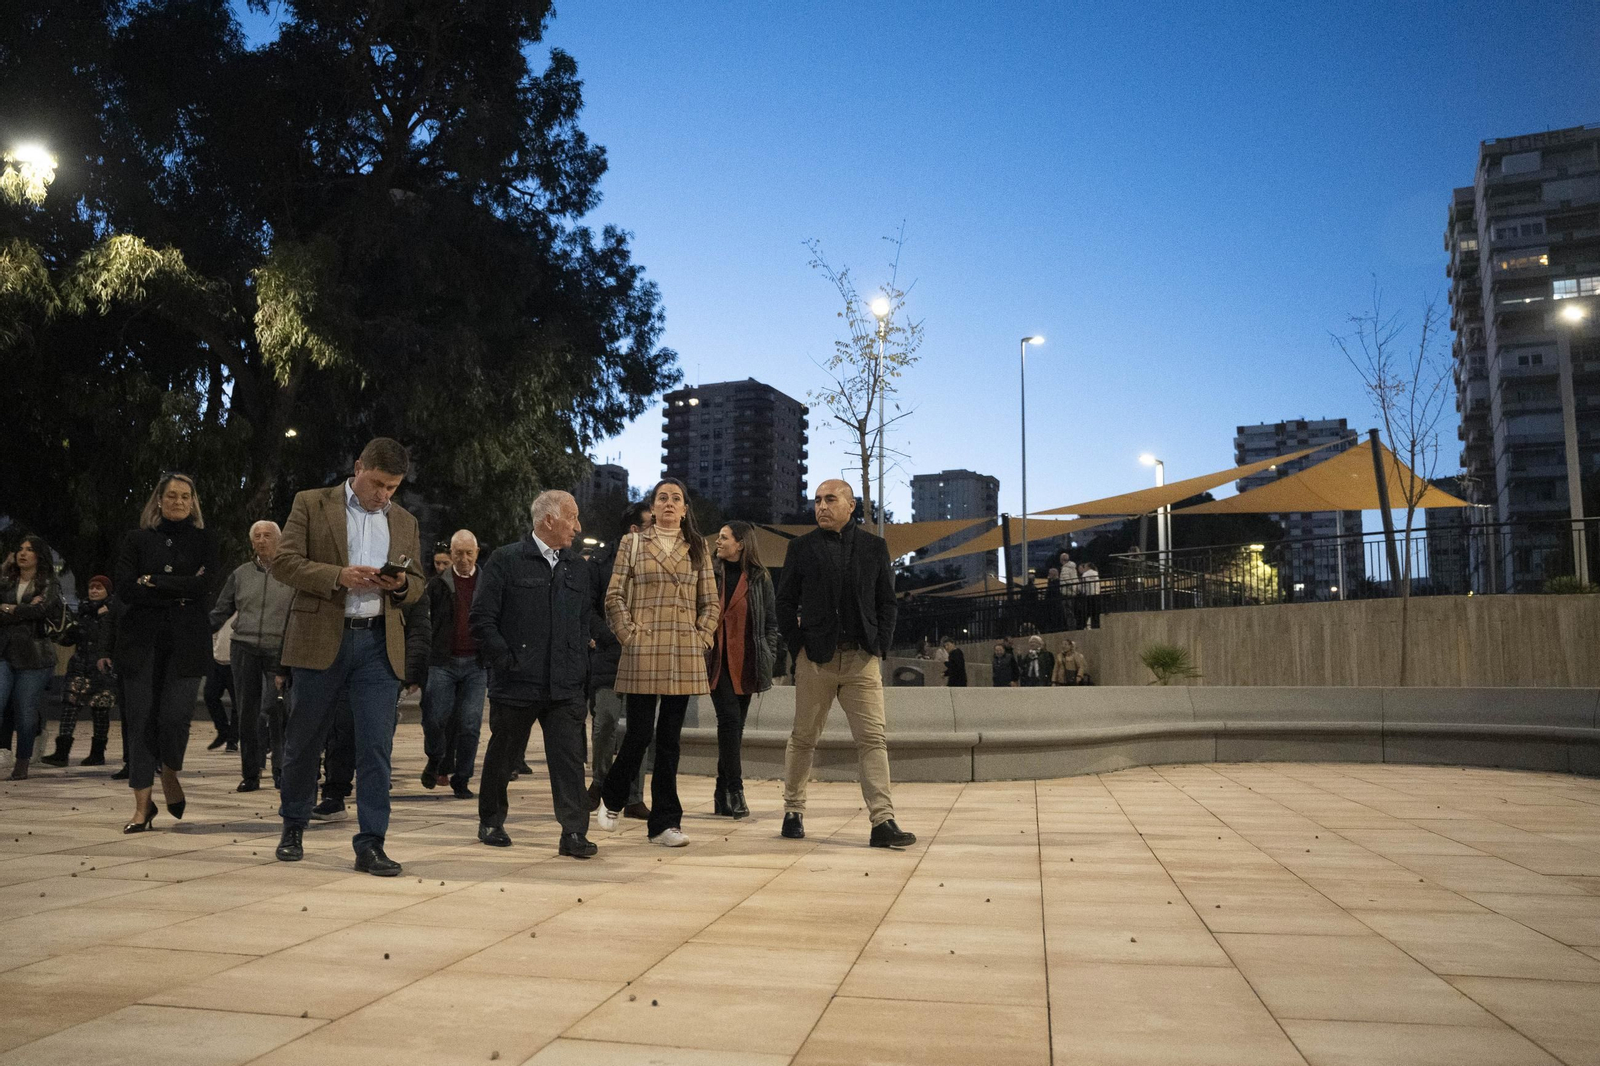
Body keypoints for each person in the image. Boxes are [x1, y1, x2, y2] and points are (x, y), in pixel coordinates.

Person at [271, 438, 423, 876]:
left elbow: (417, 583)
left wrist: (400, 586)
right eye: (377, 483)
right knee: (305, 740)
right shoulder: (311, 503)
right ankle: (294, 825)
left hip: (378, 645)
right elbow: (285, 563)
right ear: (358, 467)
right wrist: (337, 575)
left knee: (376, 747)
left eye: (392, 487)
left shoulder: (405, 521)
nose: (383, 495)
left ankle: (371, 843)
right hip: (321, 638)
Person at [775, 480, 915, 849]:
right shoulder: (800, 548)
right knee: (804, 737)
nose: (821, 506)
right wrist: (798, 647)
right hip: (815, 660)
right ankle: (793, 811)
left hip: (861, 659)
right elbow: (784, 603)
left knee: (872, 739)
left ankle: (882, 821)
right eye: (817, 500)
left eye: (830, 499)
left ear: (851, 505)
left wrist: (879, 645)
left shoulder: (874, 547)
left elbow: (887, 602)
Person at [470, 491, 596, 857]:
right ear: (549, 520)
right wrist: (507, 661)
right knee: (503, 755)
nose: (578, 526)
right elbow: (481, 619)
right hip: (516, 683)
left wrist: (582, 663)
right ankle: (491, 820)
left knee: (570, 760)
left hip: (566, 684)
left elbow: (583, 618)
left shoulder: (578, 567)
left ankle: (574, 832)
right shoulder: (506, 560)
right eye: (572, 517)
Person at [595, 478, 719, 847]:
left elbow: (711, 602)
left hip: (682, 650)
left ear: (684, 509)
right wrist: (629, 635)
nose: (668, 503)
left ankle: (666, 823)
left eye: (676, 498)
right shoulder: (632, 543)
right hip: (643, 650)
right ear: (653, 507)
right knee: (637, 735)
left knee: (669, 740)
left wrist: (701, 637)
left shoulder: (698, 548)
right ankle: (613, 796)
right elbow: (614, 595)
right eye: (662, 497)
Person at [114, 475, 219, 830]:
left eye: (185, 496)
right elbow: (127, 588)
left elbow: (205, 586)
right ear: (158, 500)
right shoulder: (136, 539)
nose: (178, 501)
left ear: (193, 502)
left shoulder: (205, 540)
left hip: (187, 641)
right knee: (140, 718)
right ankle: (143, 808)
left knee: (174, 718)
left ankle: (170, 770)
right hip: (140, 640)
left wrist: (153, 579)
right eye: (171, 495)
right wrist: (178, 587)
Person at [311, 590, 431, 820]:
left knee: (377, 734)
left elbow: (419, 630)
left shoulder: (408, 585)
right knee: (342, 726)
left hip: (387, 664)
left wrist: (412, 672)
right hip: (347, 658)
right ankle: (335, 793)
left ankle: (375, 796)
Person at [211, 520, 294, 792]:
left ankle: (282, 769)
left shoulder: (291, 573)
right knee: (247, 713)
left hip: (278, 650)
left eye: (267, 535)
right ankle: (250, 774)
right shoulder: (241, 574)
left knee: (278, 710)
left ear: (279, 540)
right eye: (256, 536)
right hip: (244, 647)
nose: (261, 540)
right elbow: (221, 610)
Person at [708, 521, 779, 819]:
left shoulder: (760, 578)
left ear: (740, 544)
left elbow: (771, 624)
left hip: (748, 662)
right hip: (716, 661)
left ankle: (719, 792)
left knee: (736, 729)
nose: (718, 541)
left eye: (724, 537)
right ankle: (736, 790)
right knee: (730, 721)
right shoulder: (709, 572)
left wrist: (769, 656)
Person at [586, 500, 651, 821]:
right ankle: (599, 781)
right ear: (634, 530)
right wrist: (610, 634)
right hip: (610, 654)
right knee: (606, 722)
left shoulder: (659, 559)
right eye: (650, 524)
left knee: (638, 728)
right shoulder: (601, 561)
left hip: (645, 656)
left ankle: (634, 796)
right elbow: (589, 607)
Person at [422, 529, 487, 799]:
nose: (463, 559)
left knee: (470, 724)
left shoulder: (487, 584)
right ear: (451, 554)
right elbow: (426, 624)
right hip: (443, 662)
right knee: (436, 718)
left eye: (468, 553)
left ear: (476, 554)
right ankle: (436, 758)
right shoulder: (436, 586)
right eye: (458, 553)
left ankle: (463, 777)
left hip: (476, 663)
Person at [0, 535, 64, 780]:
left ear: (39, 555)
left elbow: (42, 610)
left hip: (34, 657)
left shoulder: (49, 582)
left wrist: (7, 608)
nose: (22, 553)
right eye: (20, 549)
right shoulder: (6, 580)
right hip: (4, 651)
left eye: (29, 550)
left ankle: (22, 761)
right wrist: (19, 609)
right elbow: (32, 610)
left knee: (25, 712)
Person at [43, 573, 118, 767]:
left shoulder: (112, 612)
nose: (94, 591)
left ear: (107, 592)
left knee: (100, 711)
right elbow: (71, 639)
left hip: (102, 669)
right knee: (69, 708)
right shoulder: (82, 611)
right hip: (79, 666)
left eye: (98, 588)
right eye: (92, 587)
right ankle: (61, 753)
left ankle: (97, 753)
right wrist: (59, 633)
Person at [201, 616, 237, 753]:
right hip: (217, 662)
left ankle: (232, 740)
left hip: (235, 663)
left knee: (238, 703)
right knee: (210, 695)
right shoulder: (223, 611)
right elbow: (214, 631)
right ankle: (223, 730)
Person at [1079, 561, 1102, 629]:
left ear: (1088, 567)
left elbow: (1082, 586)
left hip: (1089, 595)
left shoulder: (1085, 574)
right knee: (1096, 612)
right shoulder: (1096, 573)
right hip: (1096, 594)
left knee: (1088, 611)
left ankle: (1087, 626)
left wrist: (1082, 592)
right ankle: (1096, 625)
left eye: (1085, 567)